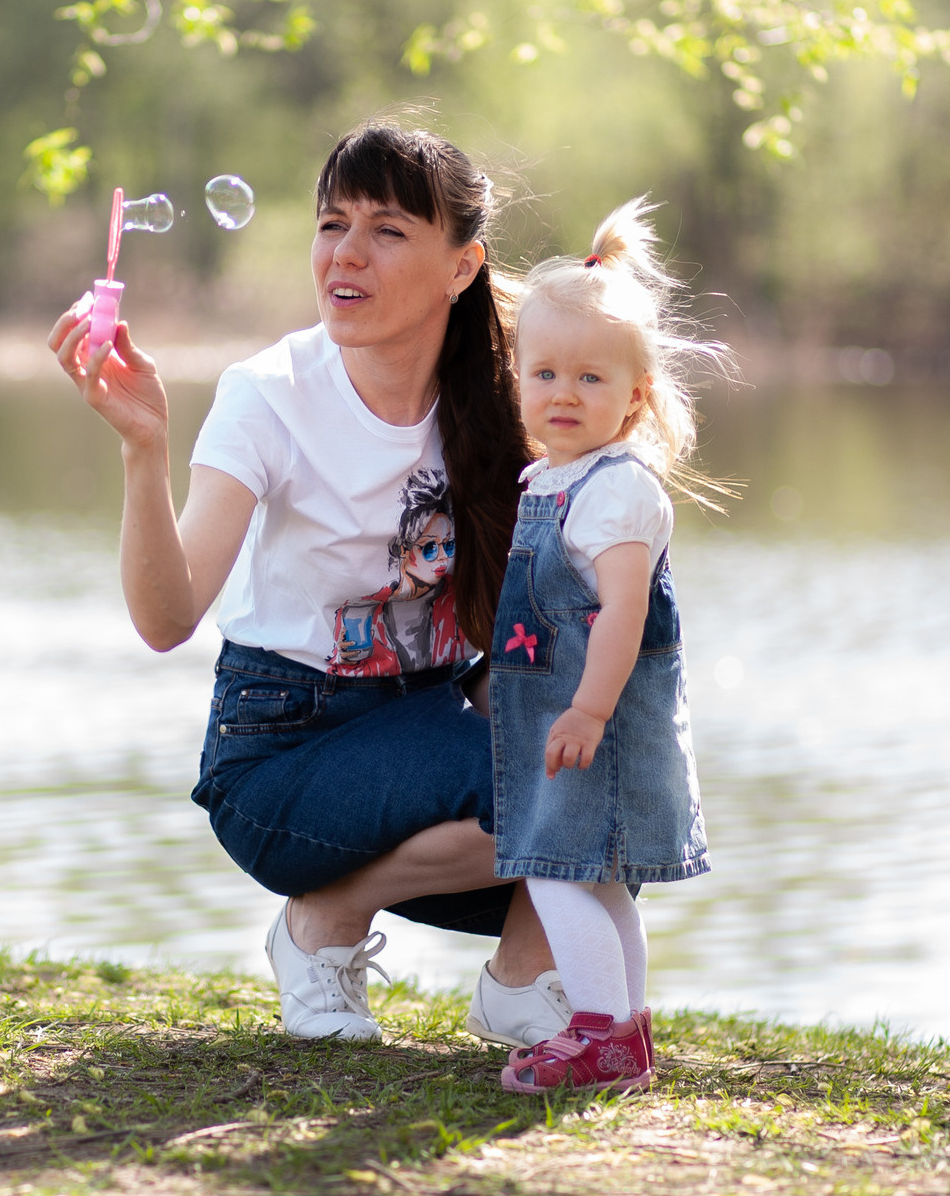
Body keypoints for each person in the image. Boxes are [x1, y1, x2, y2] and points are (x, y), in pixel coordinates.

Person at [46, 121, 572, 1046]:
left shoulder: (505, 394)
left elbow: (551, 609)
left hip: (427, 724)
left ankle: (525, 985)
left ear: (462, 265)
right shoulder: (271, 393)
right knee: (547, 779)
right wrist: (146, 449)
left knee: (613, 773)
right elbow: (167, 620)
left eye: (388, 230)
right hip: (281, 754)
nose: (347, 254)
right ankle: (318, 926)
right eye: (332, 224)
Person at [488, 199, 717, 1094]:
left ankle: (596, 1033)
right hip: (567, 716)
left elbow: (623, 611)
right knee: (602, 879)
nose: (563, 393)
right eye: (544, 372)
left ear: (636, 397)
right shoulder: (552, 478)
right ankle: (624, 1033)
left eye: (590, 378)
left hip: (600, 721)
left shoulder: (618, 491)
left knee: (555, 873)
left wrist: (587, 708)